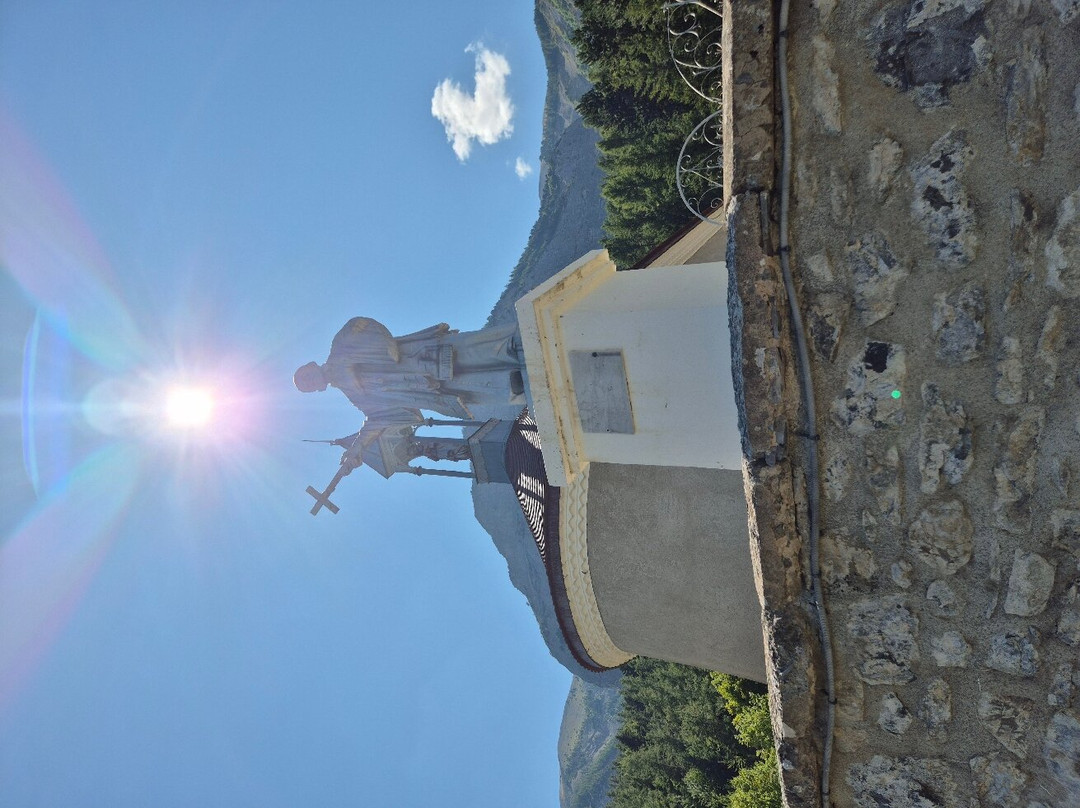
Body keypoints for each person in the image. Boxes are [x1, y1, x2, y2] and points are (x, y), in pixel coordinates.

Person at [294, 316, 523, 419]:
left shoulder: (340, 345)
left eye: (305, 376)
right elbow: (378, 419)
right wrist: (357, 449)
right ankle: (519, 382)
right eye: (307, 386)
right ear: (318, 390)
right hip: (431, 388)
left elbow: (359, 323)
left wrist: (386, 343)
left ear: (311, 364)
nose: (309, 382)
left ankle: (519, 344)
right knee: (496, 386)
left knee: (482, 349)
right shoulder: (356, 397)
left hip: (423, 354)